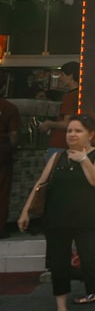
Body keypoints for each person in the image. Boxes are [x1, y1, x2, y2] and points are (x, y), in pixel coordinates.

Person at [18, 114, 95, 311]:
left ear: (90, 134)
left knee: (90, 263)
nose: (72, 134)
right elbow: (40, 184)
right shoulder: (58, 156)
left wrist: (83, 160)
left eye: (77, 131)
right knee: (58, 265)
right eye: (69, 131)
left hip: (85, 219)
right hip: (56, 219)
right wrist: (25, 212)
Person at [40, 61, 79, 162]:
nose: (60, 78)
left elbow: (67, 124)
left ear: (70, 76)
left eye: (62, 75)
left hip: (60, 144)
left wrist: (49, 124)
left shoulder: (70, 97)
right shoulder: (82, 95)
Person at [0, 94, 22, 239]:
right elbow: (14, 134)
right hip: (3, 153)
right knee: (2, 191)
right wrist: (12, 149)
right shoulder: (9, 107)